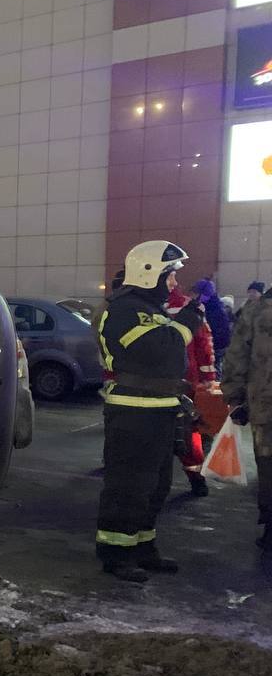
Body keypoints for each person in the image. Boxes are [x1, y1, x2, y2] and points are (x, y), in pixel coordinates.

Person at [96, 241, 203, 582]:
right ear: (149, 273)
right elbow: (164, 352)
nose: (174, 284)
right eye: (170, 275)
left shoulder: (151, 310)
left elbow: (170, 352)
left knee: (155, 486)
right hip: (132, 411)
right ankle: (116, 554)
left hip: (160, 410)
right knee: (127, 487)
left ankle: (143, 548)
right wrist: (188, 321)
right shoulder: (123, 311)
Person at [222, 283, 272, 550]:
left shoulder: (255, 311)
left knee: (268, 465)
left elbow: (236, 357)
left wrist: (234, 398)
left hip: (265, 405)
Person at [166, 285, 218, 496]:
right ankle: (197, 480)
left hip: (161, 385)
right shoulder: (189, 307)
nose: (173, 281)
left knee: (183, 434)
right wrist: (207, 378)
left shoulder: (139, 309)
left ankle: (196, 478)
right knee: (187, 434)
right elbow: (204, 346)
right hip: (186, 383)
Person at [193, 279, 231, 372]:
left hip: (215, 345)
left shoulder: (212, 309)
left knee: (214, 368)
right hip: (218, 344)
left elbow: (213, 328)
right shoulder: (216, 305)